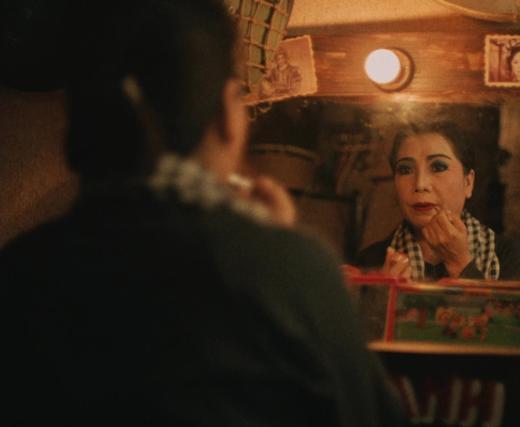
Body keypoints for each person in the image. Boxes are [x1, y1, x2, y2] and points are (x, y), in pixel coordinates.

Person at [1, 1, 407, 426]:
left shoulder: (19, 270)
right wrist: (280, 254)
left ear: (79, 122)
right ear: (229, 115)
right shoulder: (287, 269)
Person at [357, 121, 520, 281]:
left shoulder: (508, 257)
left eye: (438, 167)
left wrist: (460, 264)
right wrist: (382, 295)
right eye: (405, 170)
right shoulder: (371, 261)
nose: (420, 184)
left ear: (468, 182)